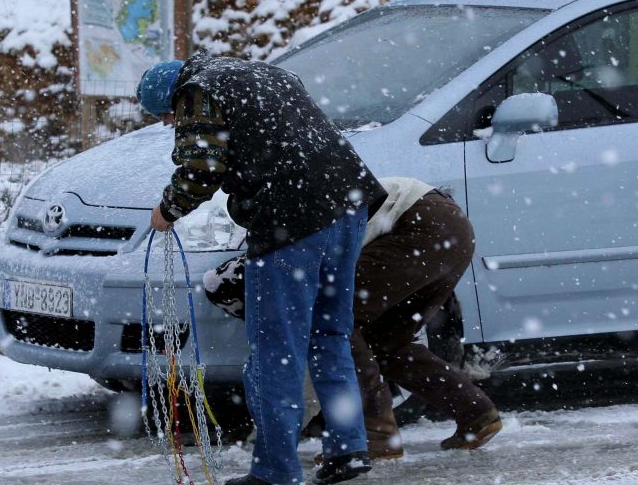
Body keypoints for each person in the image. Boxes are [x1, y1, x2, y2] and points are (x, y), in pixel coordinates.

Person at [135, 52, 384, 485]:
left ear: (172, 100)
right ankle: (349, 446)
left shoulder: (198, 91)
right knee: (329, 334)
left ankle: (276, 470)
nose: (172, 124)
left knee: (276, 347)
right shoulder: (260, 71)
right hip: (349, 201)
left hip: (292, 218)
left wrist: (167, 210)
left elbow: (202, 167)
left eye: (168, 117)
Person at [204, 177, 502, 459]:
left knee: (334, 323)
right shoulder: (304, 204)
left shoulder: (305, 226)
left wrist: (278, 434)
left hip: (418, 226)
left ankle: (376, 433)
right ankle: (475, 413)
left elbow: (316, 346)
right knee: (386, 341)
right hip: (451, 230)